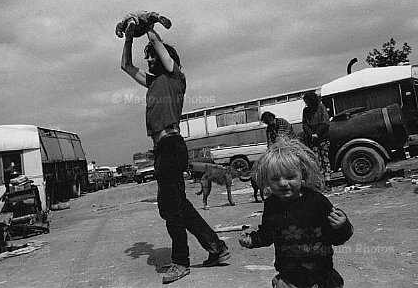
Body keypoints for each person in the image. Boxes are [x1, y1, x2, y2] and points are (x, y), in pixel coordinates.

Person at [120, 22, 230, 284]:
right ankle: (216, 247)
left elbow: (161, 49)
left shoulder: (175, 77)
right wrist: (127, 39)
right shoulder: (153, 82)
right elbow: (125, 66)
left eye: (151, 55)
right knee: (179, 204)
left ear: (163, 58)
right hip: (163, 148)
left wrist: (148, 28)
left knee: (170, 207)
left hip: (171, 145)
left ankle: (181, 262)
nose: (147, 58)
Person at [238, 139, 353, 288]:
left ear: (302, 176)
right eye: (275, 179)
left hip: (322, 277)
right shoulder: (271, 205)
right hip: (289, 278)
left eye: (290, 177)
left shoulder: (317, 201)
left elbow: (336, 239)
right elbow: (267, 234)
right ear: (267, 181)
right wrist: (252, 240)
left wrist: (342, 226)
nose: (283, 183)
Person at [302, 91, 332, 188]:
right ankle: (320, 180)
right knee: (316, 160)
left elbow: (325, 122)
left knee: (325, 158)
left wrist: (317, 134)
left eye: (308, 101)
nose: (306, 103)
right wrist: (311, 134)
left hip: (323, 137)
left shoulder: (321, 107)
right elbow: (304, 124)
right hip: (312, 139)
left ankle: (328, 180)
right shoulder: (306, 111)